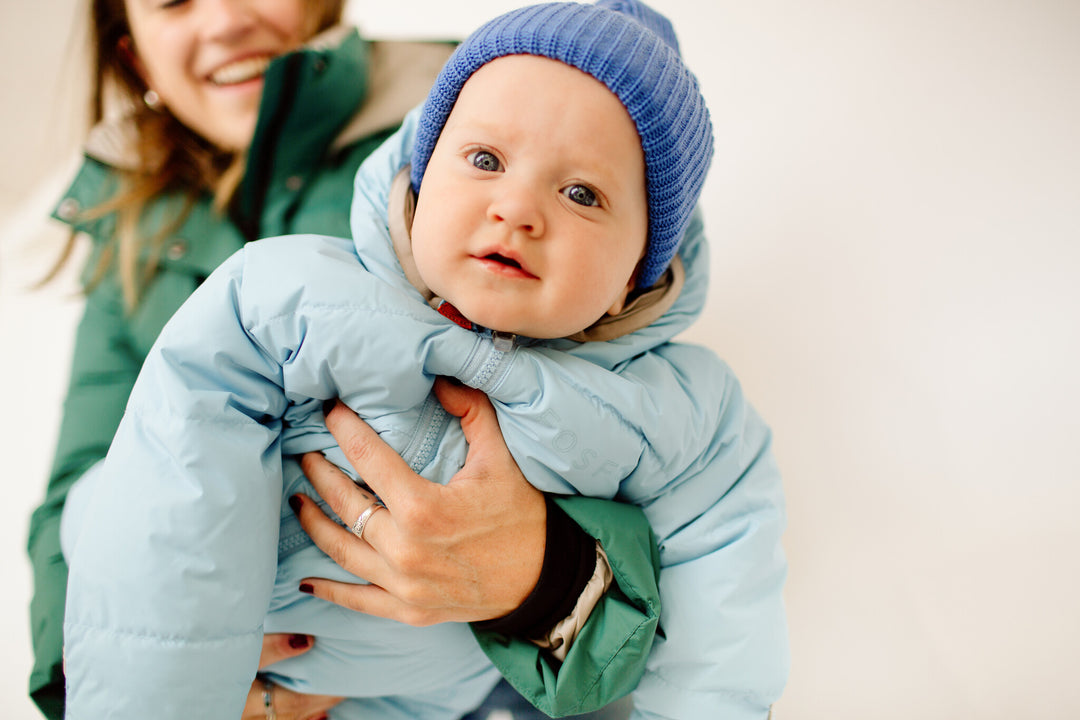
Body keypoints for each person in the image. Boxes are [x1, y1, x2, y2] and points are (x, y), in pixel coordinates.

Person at [61, 1, 789, 719]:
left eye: (581, 193)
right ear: (419, 177)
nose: (516, 208)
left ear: (638, 268)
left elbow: (725, 634)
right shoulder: (297, 292)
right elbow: (165, 463)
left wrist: (544, 576)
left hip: (411, 698)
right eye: (484, 160)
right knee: (104, 496)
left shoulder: (688, 414)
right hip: (197, 640)